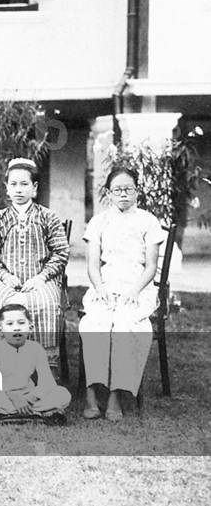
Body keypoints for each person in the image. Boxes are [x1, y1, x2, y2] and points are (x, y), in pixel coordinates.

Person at [78, 167, 164, 421]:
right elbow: (93, 265)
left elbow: (150, 266)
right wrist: (100, 288)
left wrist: (134, 290)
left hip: (138, 285)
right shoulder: (99, 221)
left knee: (126, 324)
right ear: (109, 193)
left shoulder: (148, 220)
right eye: (117, 190)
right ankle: (92, 392)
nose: (123, 194)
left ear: (137, 190)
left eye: (129, 189)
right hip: (105, 283)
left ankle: (116, 394)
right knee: (95, 323)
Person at [0, 159, 69, 366]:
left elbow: (61, 252)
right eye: (13, 185)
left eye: (24, 184)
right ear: (6, 189)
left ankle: (46, 365)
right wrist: (5, 276)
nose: (18, 190)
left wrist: (42, 277)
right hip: (8, 281)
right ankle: (0, 364)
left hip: (41, 281)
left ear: (34, 187)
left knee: (43, 304)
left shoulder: (48, 217)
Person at [0, 304, 71, 420]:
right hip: (3, 394)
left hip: (28, 395)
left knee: (63, 394)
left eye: (21, 323)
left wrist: (30, 398)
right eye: (10, 324)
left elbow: (48, 382)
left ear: (30, 327)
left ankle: (8, 413)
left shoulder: (36, 348)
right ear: (0, 330)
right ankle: (34, 413)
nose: (16, 328)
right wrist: (13, 396)